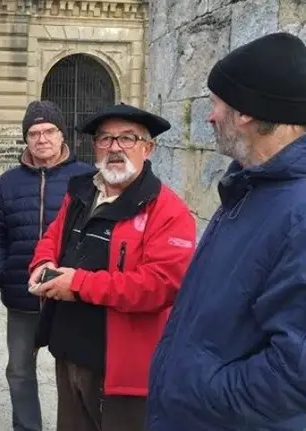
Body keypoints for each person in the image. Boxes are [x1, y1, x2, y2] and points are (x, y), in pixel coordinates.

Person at [148, 32, 306, 431]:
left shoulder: (298, 212)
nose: (210, 115)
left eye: (217, 102)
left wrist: (198, 391)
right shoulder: (249, 188)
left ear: (247, 112)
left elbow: (295, 373)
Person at [28, 103, 196, 431]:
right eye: (105, 139)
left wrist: (78, 284)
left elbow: (161, 285)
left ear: (148, 148)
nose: (115, 147)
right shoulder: (81, 192)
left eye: (128, 139)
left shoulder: (168, 211)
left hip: (122, 369)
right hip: (70, 351)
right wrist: (43, 262)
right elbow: (53, 237)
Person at [0, 100, 93, 430]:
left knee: (77, 372)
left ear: (62, 136)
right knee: (19, 369)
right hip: (23, 294)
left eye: (49, 131)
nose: (41, 139)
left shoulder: (87, 178)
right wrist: (1, 272)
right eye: (33, 133)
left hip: (71, 296)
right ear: (26, 139)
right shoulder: (9, 182)